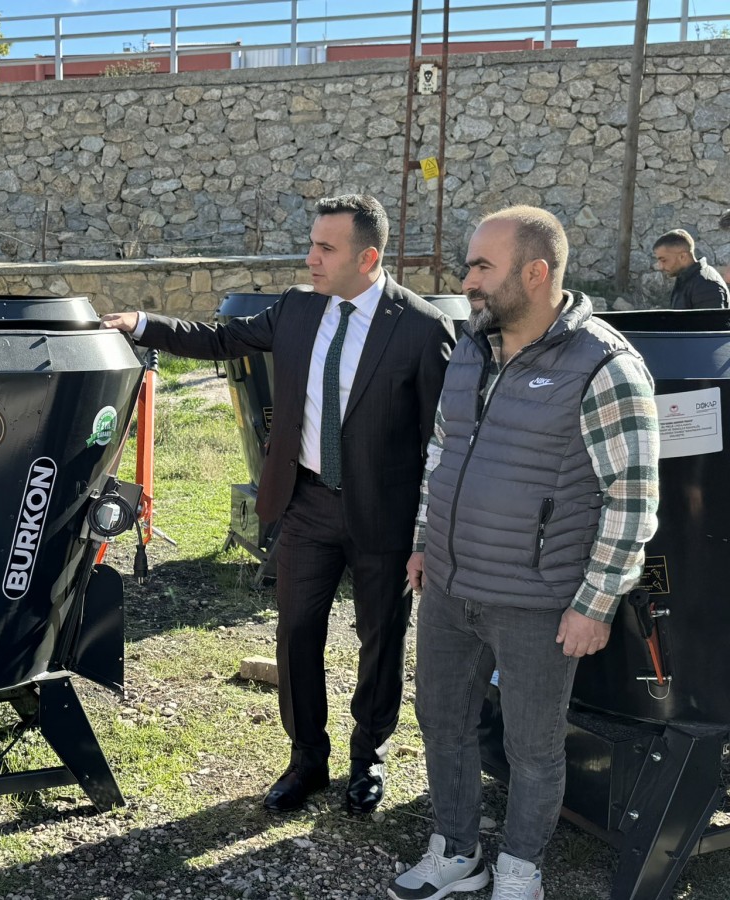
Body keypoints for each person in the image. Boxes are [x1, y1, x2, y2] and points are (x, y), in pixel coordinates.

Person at [102, 194, 454, 815]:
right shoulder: (295, 308)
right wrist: (141, 323)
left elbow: (442, 445)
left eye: (325, 249)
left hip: (385, 519)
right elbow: (222, 339)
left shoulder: (423, 328)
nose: (310, 258)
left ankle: (368, 758)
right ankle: (306, 761)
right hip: (307, 504)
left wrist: (428, 537)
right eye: (311, 244)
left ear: (368, 257)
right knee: (295, 635)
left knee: (381, 641)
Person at [390, 206, 659, 900]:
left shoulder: (606, 365)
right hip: (451, 586)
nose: (467, 279)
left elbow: (632, 497)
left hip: (539, 602)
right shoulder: (472, 350)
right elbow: (442, 453)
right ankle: (456, 851)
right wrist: (424, 542)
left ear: (534, 274)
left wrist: (596, 604)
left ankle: (520, 867)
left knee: (532, 749)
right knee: (442, 722)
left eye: (482, 266)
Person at [651, 228, 729, 309]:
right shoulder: (687, 279)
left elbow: (712, 320)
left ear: (682, 257)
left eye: (664, 260)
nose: (660, 267)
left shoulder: (705, 285)